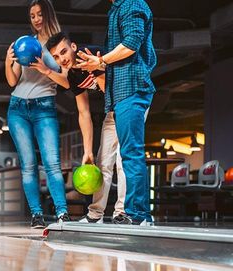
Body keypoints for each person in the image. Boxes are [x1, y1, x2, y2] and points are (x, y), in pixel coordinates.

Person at [76, 0, 156, 225]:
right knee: (120, 157)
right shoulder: (117, 8)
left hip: (132, 89)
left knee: (131, 154)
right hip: (119, 95)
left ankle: (139, 215)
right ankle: (117, 213)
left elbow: (131, 44)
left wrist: (101, 60)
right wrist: (100, 66)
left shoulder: (132, 4)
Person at [45, 32, 127, 224]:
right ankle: (95, 214)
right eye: (56, 56)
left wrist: (96, 69)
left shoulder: (89, 55)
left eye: (63, 52)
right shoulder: (73, 74)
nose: (61, 59)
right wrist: (87, 151)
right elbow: (84, 113)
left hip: (129, 102)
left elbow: (110, 89)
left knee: (124, 161)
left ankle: (123, 212)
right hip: (113, 109)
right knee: (102, 162)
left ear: (73, 46)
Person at [5, 0, 73, 229]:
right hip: (18, 108)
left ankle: (62, 212)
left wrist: (45, 69)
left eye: (39, 14)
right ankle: (36, 214)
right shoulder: (25, 43)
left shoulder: (58, 44)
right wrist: (8, 60)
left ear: (48, 14)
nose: (36, 19)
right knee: (28, 165)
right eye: (32, 15)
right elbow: (12, 81)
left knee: (52, 163)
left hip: (45, 107)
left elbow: (65, 81)